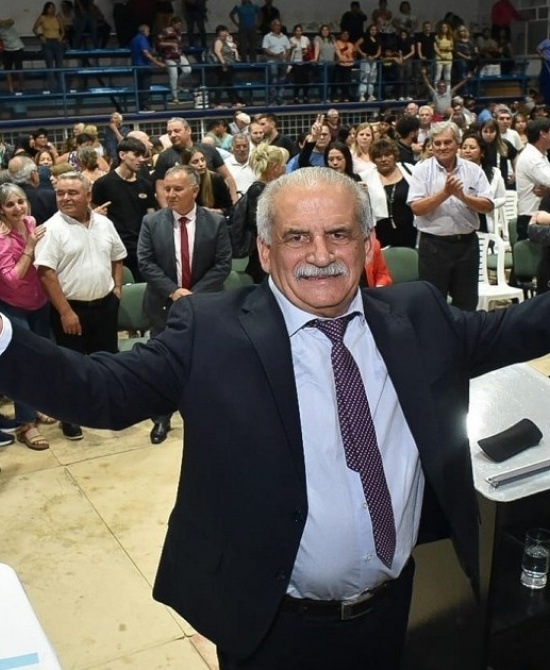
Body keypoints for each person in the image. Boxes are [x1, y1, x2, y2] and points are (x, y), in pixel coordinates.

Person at [3, 166, 550, 669]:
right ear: (265, 252)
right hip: (271, 628)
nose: (320, 254)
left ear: (367, 244)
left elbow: (518, 328)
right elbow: (101, 390)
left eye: (339, 234)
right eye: (297, 237)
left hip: (394, 608)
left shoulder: (418, 316)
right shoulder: (210, 332)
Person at [136, 165, 231, 444]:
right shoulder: (152, 222)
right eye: (167, 189)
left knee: (204, 362)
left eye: (177, 189)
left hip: (205, 305)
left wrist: (192, 295)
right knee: (163, 364)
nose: (170, 194)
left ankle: (204, 415)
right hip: (163, 306)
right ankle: (161, 417)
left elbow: (223, 264)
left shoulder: (215, 222)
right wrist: (174, 291)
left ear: (195, 190)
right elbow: (146, 262)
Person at [34, 172, 127, 441]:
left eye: (72, 193)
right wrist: (65, 312)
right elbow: (46, 274)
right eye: (60, 193)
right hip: (70, 310)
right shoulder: (51, 229)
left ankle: (104, 409)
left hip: (105, 305)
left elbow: (117, 256)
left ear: (88, 195)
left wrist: (117, 289)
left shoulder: (104, 224)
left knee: (106, 361)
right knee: (70, 367)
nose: (65, 198)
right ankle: (70, 417)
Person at [407, 121, 494, 310]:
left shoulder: (473, 170)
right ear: (431, 145)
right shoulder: (421, 170)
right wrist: (445, 193)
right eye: (437, 143)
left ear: (457, 143)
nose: (442, 147)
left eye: (447, 142)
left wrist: (463, 197)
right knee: (433, 305)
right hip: (434, 246)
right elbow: (416, 208)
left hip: (467, 245)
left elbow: (487, 205)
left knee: (467, 303)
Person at [0, 184, 53, 451]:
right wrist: (30, 246)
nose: (18, 208)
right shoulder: (2, 238)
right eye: (10, 204)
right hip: (12, 307)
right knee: (22, 365)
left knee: (42, 358)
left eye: (20, 201)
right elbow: (12, 279)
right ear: (1, 210)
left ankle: (37, 405)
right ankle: (26, 423)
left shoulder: (31, 222)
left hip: (39, 302)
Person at [92, 137, 156, 282]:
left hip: (141, 248)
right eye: (136, 155)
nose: (141, 160)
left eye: (143, 156)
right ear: (122, 155)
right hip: (115, 248)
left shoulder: (145, 185)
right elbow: (94, 214)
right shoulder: (103, 184)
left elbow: (151, 217)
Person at [232, 143, 288, 282]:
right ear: (275, 167)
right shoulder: (258, 190)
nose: (286, 167)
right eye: (283, 164)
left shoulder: (274, 188)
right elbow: (258, 223)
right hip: (263, 251)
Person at [153, 117, 238, 207]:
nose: (173, 135)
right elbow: (160, 188)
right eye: (169, 133)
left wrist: (235, 204)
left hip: (212, 206)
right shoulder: (164, 157)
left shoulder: (208, 150)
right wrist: (167, 211)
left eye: (177, 131)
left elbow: (227, 177)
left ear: (188, 130)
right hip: (181, 208)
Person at [361, 137, 416, 248]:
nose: (383, 159)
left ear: (395, 155)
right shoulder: (365, 177)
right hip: (381, 234)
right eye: (378, 156)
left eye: (387, 155)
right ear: (373, 159)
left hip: (410, 231)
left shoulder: (410, 170)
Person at [460, 132, 506, 234]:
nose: (467, 151)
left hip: (485, 218)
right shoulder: (455, 172)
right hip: (462, 220)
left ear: (482, 152)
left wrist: (486, 204)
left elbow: (502, 198)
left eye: (472, 148)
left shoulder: (494, 173)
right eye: (464, 148)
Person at [515, 117, 550, 241]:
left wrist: (548, 191)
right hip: (531, 219)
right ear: (543, 133)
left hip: (541, 216)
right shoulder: (531, 158)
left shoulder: (541, 155)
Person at [182, 146, 233, 216]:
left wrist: (211, 211)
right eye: (195, 162)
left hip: (214, 219)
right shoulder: (182, 182)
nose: (201, 164)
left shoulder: (216, 179)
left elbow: (230, 209)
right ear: (186, 166)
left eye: (202, 160)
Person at [157, 15, 192, 105]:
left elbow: (179, 44)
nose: (179, 26)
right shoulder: (166, 31)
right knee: (174, 76)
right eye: (178, 25)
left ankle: (178, 84)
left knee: (188, 70)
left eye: (180, 25)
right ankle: (175, 97)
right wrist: (170, 44)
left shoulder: (179, 33)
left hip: (179, 54)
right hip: (169, 56)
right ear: (173, 23)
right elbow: (159, 43)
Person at [130, 24, 165, 114]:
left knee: (139, 87)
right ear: (144, 31)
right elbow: (145, 52)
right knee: (145, 87)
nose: (149, 33)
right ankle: (144, 107)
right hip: (143, 66)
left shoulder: (134, 39)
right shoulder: (142, 39)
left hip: (135, 66)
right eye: (148, 31)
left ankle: (140, 107)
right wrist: (157, 63)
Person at [33, 2, 65, 93]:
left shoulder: (57, 17)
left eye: (53, 7)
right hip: (47, 41)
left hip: (57, 41)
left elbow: (63, 31)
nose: (52, 10)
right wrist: (40, 37)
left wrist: (61, 37)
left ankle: (61, 88)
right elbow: (34, 29)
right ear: (46, 9)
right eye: (50, 8)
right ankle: (52, 88)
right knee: (50, 66)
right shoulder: (42, 17)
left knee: (59, 66)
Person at [212, 24, 245, 108]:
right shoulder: (218, 41)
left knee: (228, 84)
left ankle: (235, 102)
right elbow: (217, 52)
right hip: (222, 66)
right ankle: (219, 103)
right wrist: (223, 63)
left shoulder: (227, 41)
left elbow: (233, 49)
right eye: (223, 32)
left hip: (229, 65)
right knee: (222, 84)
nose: (226, 33)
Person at [262, 19, 291, 106]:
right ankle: (272, 100)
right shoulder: (267, 37)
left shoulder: (284, 37)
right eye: (276, 25)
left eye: (279, 25)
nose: (278, 27)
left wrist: (285, 56)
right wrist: (275, 55)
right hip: (272, 61)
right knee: (273, 81)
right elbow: (265, 49)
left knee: (282, 80)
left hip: (283, 61)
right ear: (272, 26)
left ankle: (280, 99)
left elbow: (288, 48)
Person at [356, 23, 381, 102]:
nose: (373, 31)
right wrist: (363, 54)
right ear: (369, 30)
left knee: (372, 77)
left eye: (375, 30)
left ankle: (370, 94)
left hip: (373, 60)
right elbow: (357, 45)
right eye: (372, 30)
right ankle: (362, 95)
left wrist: (375, 56)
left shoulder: (378, 39)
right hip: (365, 59)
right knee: (365, 76)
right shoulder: (365, 37)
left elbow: (379, 50)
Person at [0, 17, 25, 94]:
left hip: (17, 48)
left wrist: (2, 22)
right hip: (6, 50)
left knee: (19, 69)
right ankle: (10, 89)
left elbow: (12, 21)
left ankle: (21, 87)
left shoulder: (6, 24)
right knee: (8, 70)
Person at [288, 24, 312, 104]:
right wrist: (292, 47)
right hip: (295, 62)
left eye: (300, 31)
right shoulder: (291, 39)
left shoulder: (305, 39)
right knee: (297, 81)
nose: (298, 32)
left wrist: (306, 50)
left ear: (302, 32)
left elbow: (309, 48)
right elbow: (288, 51)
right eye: (297, 31)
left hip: (305, 62)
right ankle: (296, 97)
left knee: (306, 81)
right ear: (294, 32)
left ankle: (305, 96)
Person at [313, 25, 337, 103]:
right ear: (321, 31)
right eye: (323, 30)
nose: (325, 31)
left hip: (331, 64)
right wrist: (315, 58)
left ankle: (327, 97)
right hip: (322, 64)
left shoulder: (332, 38)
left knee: (328, 82)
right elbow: (317, 48)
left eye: (326, 30)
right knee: (324, 81)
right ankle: (323, 98)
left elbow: (336, 49)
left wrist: (341, 58)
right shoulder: (318, 38)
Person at [334, 30, 355, 102]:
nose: (345, 35)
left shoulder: (351, 44)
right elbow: (338, 52)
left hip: (349, 65)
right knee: (338, 81)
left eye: (347, 34)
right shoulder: (337, 43)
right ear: (341, 35)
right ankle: (336, 96)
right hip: (340, 65)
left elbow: (353, 54)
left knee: (347, 82)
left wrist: (352, 58)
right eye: (343, 34)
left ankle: (346, 96)